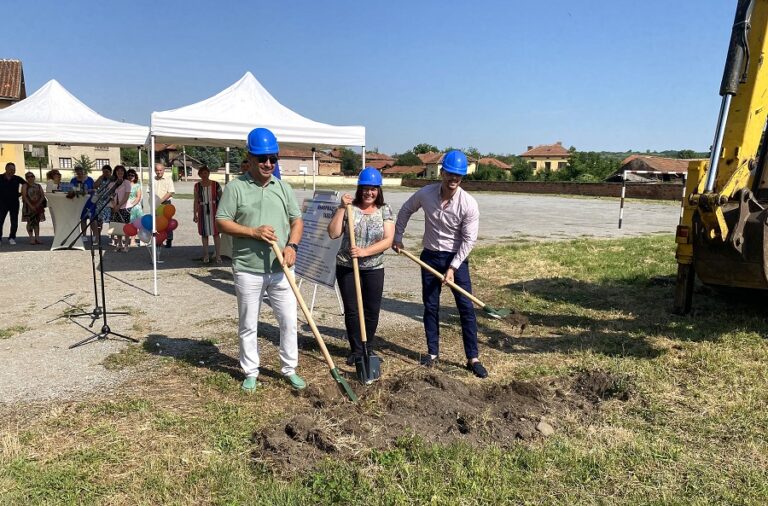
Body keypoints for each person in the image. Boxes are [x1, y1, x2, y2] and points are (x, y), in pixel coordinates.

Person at [215, 127, 306, 392]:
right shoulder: (236, 188)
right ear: (250, 159)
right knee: (248, 322)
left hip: (281, 269)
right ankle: (251, 371)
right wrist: (252, 232)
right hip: (247, 268)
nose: (268, 164)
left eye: (272, 159)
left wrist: (292, 246)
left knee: (289, 321)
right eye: (262, 158)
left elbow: (296, 221)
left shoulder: (283, 187)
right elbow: (222, 222)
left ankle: (289, 369)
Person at [392, 150, 488, 379]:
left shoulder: (469, 204)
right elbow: (406, 209)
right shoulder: (425, 194)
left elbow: (469, 240)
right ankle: (432, 353)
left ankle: (472, 357)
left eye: (458, 175)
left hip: (457, 259)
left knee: (466, 308)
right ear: (442, 172)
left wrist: (453, 268)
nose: (453, 179)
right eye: (450, 173)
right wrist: (397, 236)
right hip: (430, 256)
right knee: (431, 306)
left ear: (463, 177)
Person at [327, 167, 394, 367]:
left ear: (379, 190)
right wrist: (340, 208)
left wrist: (365, 252)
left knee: (372, 310)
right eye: (365, 188)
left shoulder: (385, 209)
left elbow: (388, 239)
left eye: (373, 189)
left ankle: (368, 348)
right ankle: (356, 350)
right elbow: (333, 233)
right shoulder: (350, 208)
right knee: (353, 311)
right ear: (359, 188)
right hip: (347, 266)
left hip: (374, 267)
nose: (369, 192)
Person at [193, 165, 223, 263]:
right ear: (200, 175)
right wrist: (195, 214)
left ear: (208, 173)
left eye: (206, 173)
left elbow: (222, 198)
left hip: (215, 210)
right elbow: (196, 200)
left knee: (216, 233)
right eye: (202, 173)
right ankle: (206, 255)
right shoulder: (197, 186)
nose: (204, 175)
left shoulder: (216, 184)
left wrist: (222, 212)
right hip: (202, 211)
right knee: (204, 234)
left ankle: (218, 255)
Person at [68, 165, 96, 242]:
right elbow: (70, 189)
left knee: (92, 219)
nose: (79, 173)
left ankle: (94, 235)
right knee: (83, 219)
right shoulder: (73, 180)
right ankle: (84, 235)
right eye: (78, 171)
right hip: (79, 202)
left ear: (83, 171)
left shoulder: (90, 179)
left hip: (90, 201)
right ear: (76, 172)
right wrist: (77, 190)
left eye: (81, 171)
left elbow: (94, 189)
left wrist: (89, 190)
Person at [0, 162, 26, 245]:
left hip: (14, 202)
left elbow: (26, 184)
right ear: (6, 169)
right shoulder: (0, 177)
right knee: (0, 221)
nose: (13, 171)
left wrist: (21, 193)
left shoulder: (17, 178)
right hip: (2, 203)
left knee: (14, 221)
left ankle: (12, 237)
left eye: (14, 170)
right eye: (11, 169)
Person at [109, 165, 132, 252]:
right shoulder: (112, 183)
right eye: (118, 171)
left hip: (125, 207)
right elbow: (110, 195)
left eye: (122, 171)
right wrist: (114, 205)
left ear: (124, 173)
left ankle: (126, 244)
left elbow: (126, 196)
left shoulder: (127, 182)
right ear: (115, 172)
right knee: (117, 226)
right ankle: (119, 244)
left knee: (125, 227)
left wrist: (119, 206)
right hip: (114, 207)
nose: (120, 172)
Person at [154, 163, 175, 248]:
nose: (159, 172)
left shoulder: (168, 179)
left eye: (160, 170)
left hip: (166, 203)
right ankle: (159, 241)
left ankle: (169, 240)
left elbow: (170, 192)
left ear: (163, 170)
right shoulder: (153, 179)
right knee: (157, 223)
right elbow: (149, 191)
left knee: (168, 223)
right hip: (156, 203)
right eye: (157, 170)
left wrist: (160, 200)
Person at [21, 172, 46, 245]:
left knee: (37, 222)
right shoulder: (25, 185)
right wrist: (31, 206)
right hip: (28, 206)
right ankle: (31, 238)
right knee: (30, 222)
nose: (30, 178)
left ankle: (37, 238)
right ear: (26, 178)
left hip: (38, 206)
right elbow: (24, 196)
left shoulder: (38, 185)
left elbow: (42, 195)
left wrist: (38, 204)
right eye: (28, 177)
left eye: (32, 176)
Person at [126, 169, 143, 247]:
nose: (130, 177)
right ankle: (131, 240)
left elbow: (138, 197)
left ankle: (141, 239)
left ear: (135, 176)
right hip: (126, 206)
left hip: (136, 206)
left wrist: (131, 205)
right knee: (130, 224)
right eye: (129, 175)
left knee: (139, 223)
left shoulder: (137, 185)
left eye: (132, 175)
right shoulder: (124, 185)